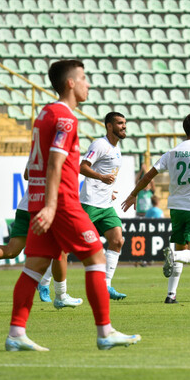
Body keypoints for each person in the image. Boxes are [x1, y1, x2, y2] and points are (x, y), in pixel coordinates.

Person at [5, 59, 140, 351]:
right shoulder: (67, 118)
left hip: (38, 199)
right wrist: (54, 206)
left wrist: (43, 203)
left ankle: (16, 332)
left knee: (34, 266)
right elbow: (55, 163)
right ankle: (105, 332)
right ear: (70, 83)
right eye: (84, 78)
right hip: (62, 202)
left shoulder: (44, 113)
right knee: (96, 258)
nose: (87, 83)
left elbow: (33, 166)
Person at [122, 114, 190, 304]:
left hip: (177, 208)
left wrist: (133, 194)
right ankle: (174, 255)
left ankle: (171, 295)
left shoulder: (172, 152)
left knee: (180, 249)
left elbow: (147, 176)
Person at [0, 187, 82, 308]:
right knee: (62, 249)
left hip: (26, 206)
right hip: (44, 208)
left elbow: (27, 175)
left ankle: (45, 285)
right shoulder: (57, 166)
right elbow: (58, 179)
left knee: (11, 250)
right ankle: (61, 296)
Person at [79, 111, 128, 300]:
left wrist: (110, 191)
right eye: (119, 123)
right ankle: (44, 282)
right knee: (68, 246)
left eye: (125, 123)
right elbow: (82, 167)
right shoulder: (100, 144)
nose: (124, 126)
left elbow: (106, 175)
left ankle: (106, 285)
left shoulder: (116, 148)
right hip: (89, 204)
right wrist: (101, 178)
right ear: (109, 126)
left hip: (106, 205)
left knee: (117, 240)